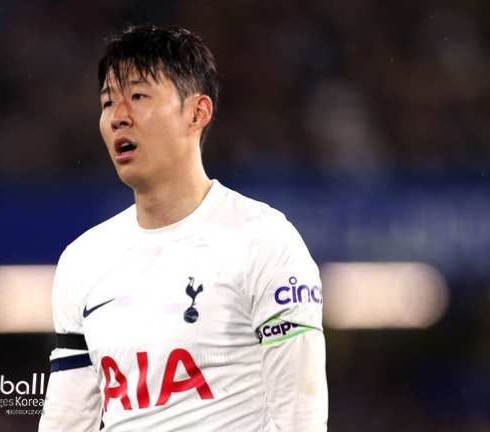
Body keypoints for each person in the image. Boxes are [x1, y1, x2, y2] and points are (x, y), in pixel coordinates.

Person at [39, 23, 328, 431]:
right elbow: (65, 421)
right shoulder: (82, 261)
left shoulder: (263, 242)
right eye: (108, 102)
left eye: (138, 97)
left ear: (197, 112)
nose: (118, 117)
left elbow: (300, 420)